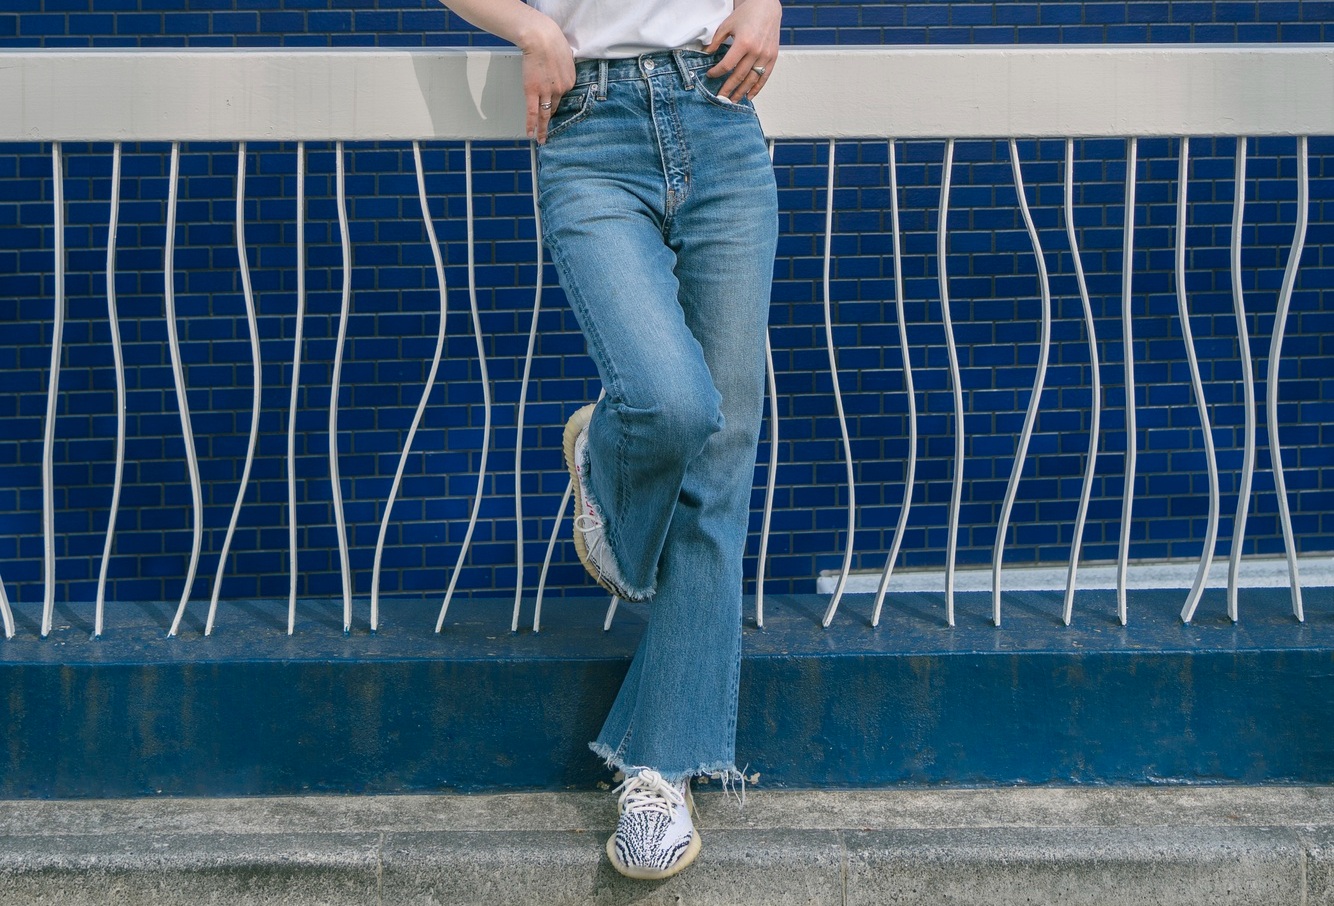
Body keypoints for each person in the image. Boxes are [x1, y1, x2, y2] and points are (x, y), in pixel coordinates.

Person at [437, 0, 781, 880]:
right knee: (672, 403)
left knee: (721, 455)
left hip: (720, 110)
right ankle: (604, 459)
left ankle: (659, 773)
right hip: (588, 127)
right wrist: (530, 28)